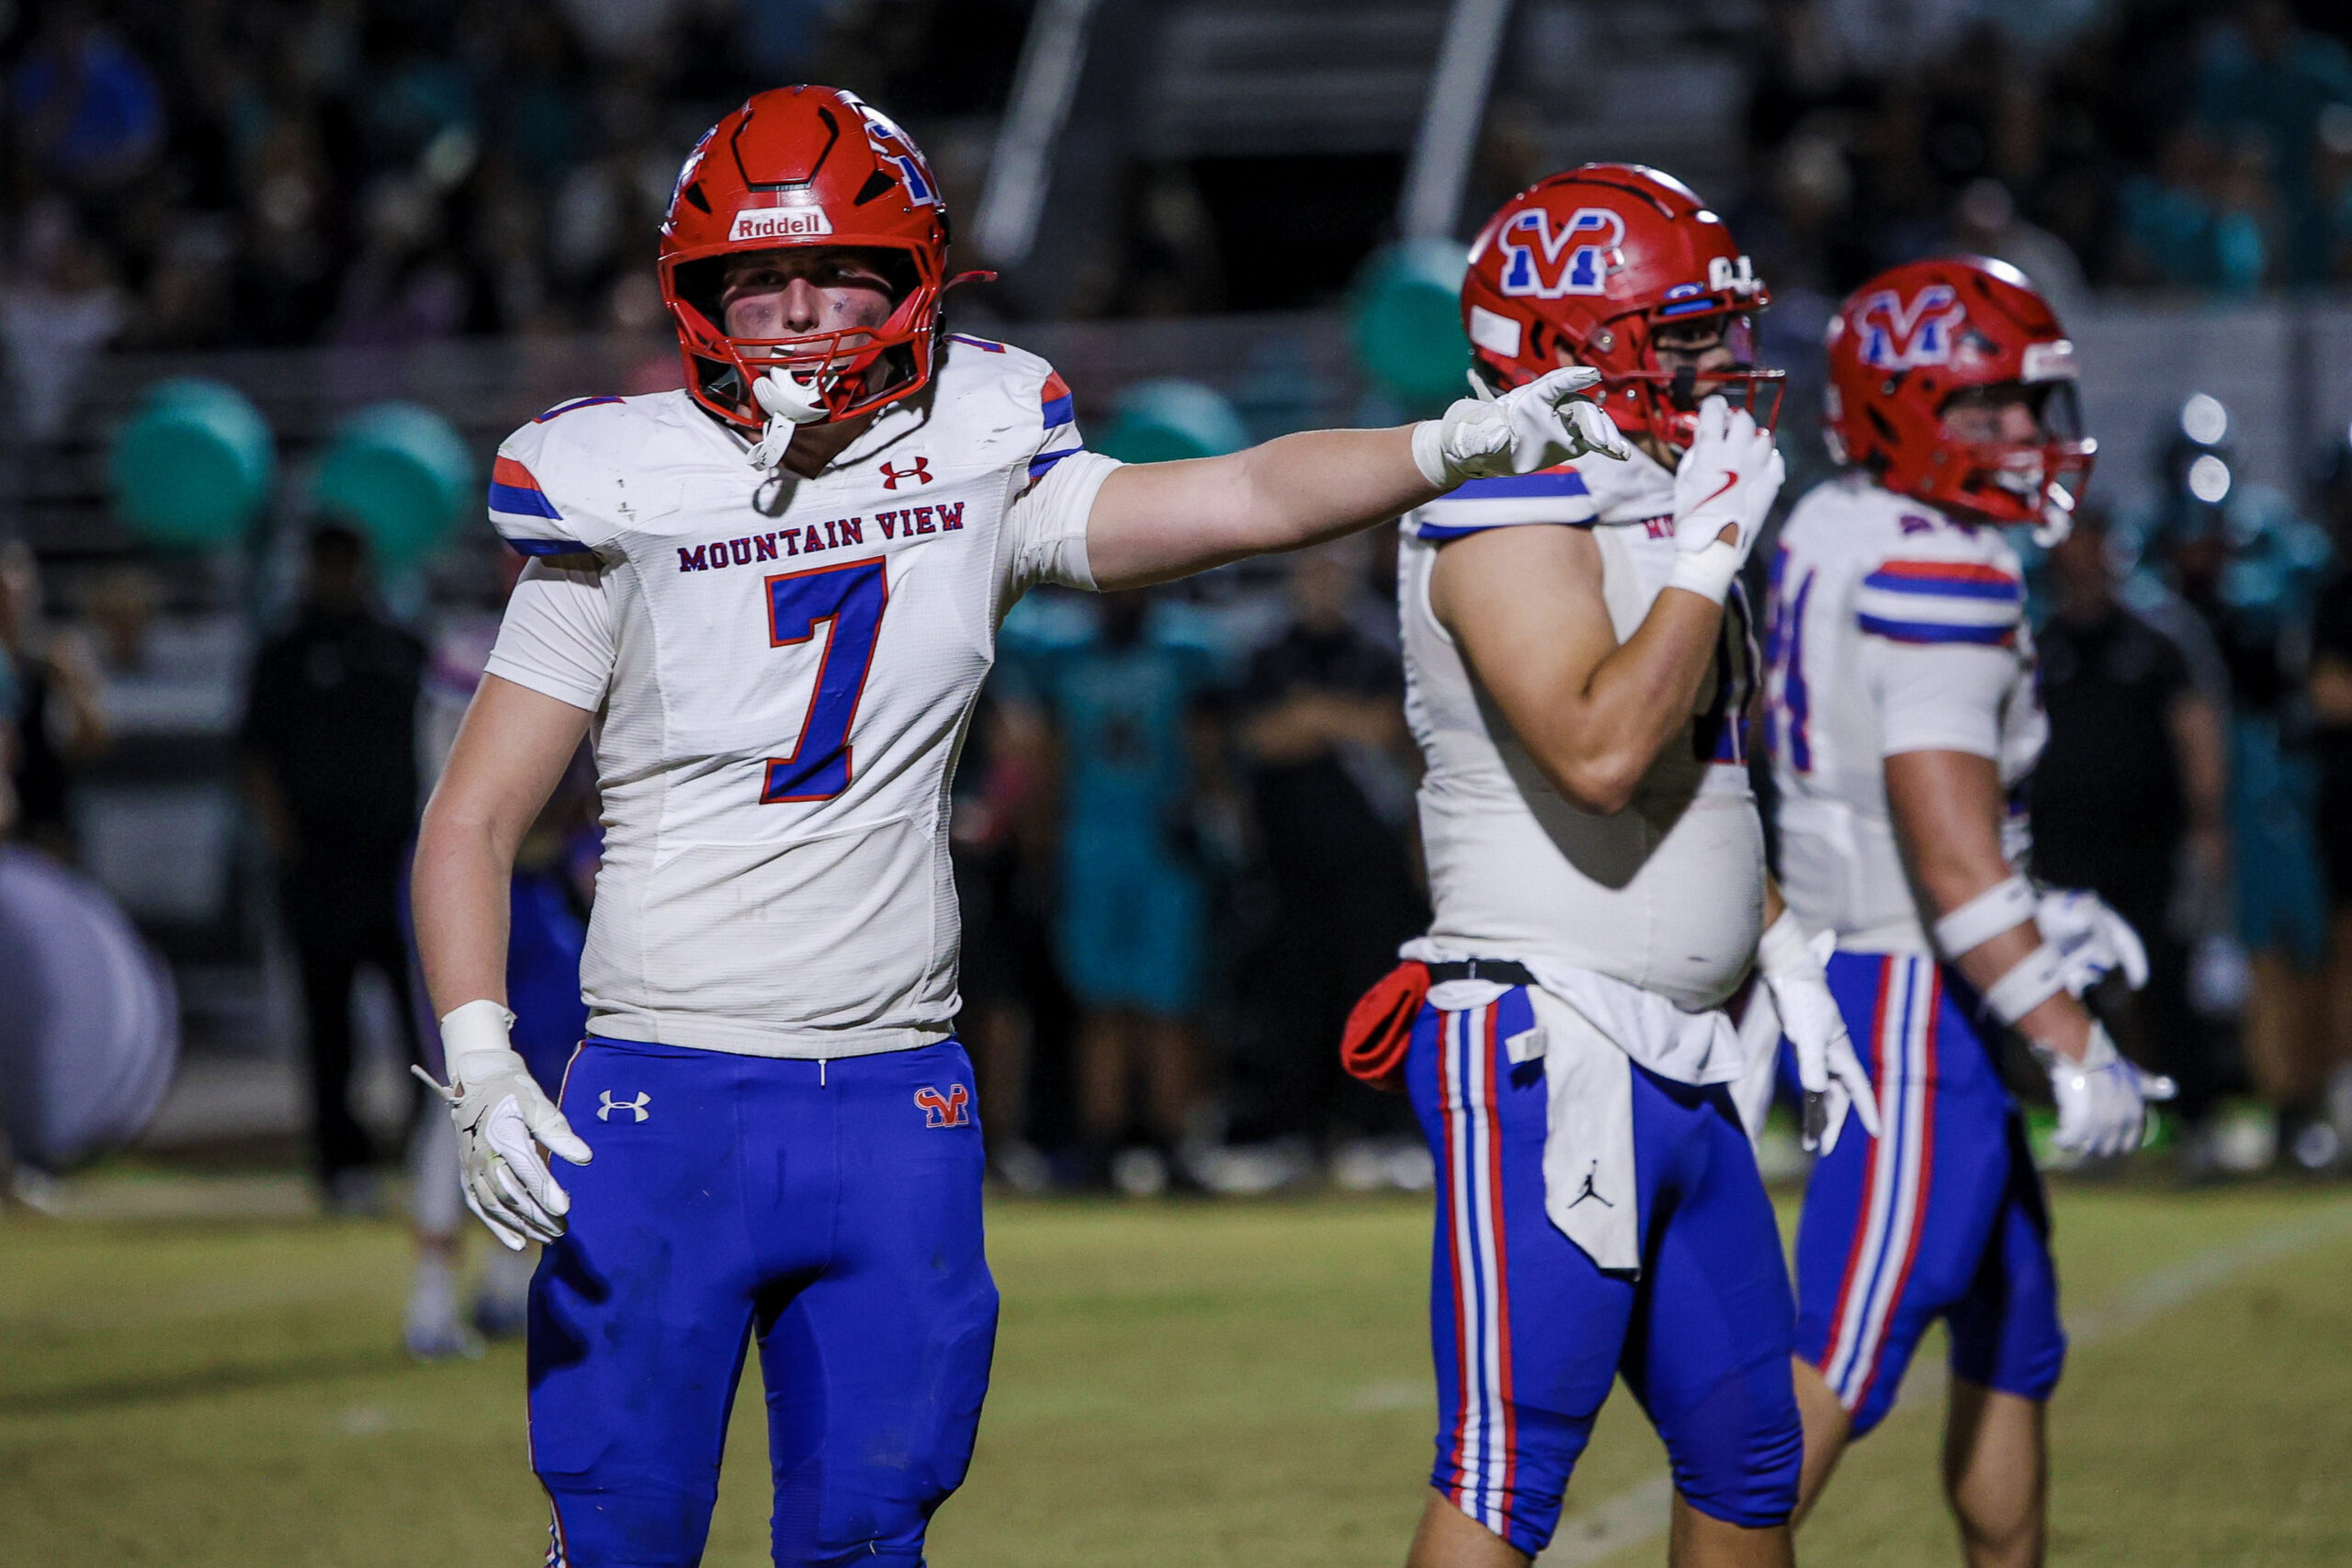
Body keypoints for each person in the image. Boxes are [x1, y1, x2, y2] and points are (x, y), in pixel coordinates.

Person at [408, 85, 1626, 1568]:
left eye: (837, 269)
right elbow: (472, 817)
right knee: (623, 1541)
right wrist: (480, 1060)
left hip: (896, 1101)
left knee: (874, 1536)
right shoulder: (620, 480)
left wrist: (1448, 444)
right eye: (759, 276)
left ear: (914, 271)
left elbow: (1238, 488)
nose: (797, 311)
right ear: (699, 288)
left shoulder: (982, 441)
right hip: (667, 1092)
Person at [1374, 164, 1874, 1568]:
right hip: (1549, 1035)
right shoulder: (1503, 491)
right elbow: (1598, 747)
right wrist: (1710, 553)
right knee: (1509, 1463)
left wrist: (1778, 947)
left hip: (1687, 1053)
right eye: (1683, 331)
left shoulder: (1652, 482)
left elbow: (1696, 774)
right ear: (1567, 342)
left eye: (1720, 327)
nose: (1718, 362)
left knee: (1748, 1453)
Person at [1762, 255, 2174, 1566]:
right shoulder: (1940, 566)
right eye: (1994, 411)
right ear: (1909, 409)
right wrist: (2070, 1030)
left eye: (2031, 409)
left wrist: (2032, 909)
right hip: (1911, 1006)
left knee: (2012, 1340)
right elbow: (1944, 855)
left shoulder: (1837, 523)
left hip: (1899, 973)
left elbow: (1901, 816)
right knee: (1834, 1365)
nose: (2032, 442)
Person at [241, 524, 428, 1211]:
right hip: (319, 865)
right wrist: (286, 844)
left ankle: (430, 1144)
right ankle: (339, 1164)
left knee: (422, 1017)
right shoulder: (286, 650)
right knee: (328, 1023)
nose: (336, 574)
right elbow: (256, 755)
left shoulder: (399, 644)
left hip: (395, 862)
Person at [2031, 505, 2230, 1153]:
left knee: (2164, 980)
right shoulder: (2039, 639)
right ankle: (2084, 1116)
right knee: (2069, 987)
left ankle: (2194, 1118)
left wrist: (2205, 818)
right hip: (2063, 847)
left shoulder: (2157, 637)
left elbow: (2194, 727)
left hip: (2146, 842)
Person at [1227, 538, 1423, 1182]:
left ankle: (1372, 1132)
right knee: (1292, 998)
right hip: (1288, 860)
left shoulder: (1378, 643)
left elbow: (1387, 728)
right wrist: (1336, 718)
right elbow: (1258, 735)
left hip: (1370, 861)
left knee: (1371, 992)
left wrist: (1311, 714)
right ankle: (1291, 1134)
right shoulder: (1269, 646)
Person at [1034, 587, 1219, 1191]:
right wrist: (1043, 849)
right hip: (1093, 846)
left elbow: (1204, 748)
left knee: (1168, 1004)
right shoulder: (1068, 659)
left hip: (1160, 845)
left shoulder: (1181, 654)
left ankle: (1171, 1140)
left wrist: (1210, 822)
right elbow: (1052, 757)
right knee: (1101, 1005)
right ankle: (1103, 1142)